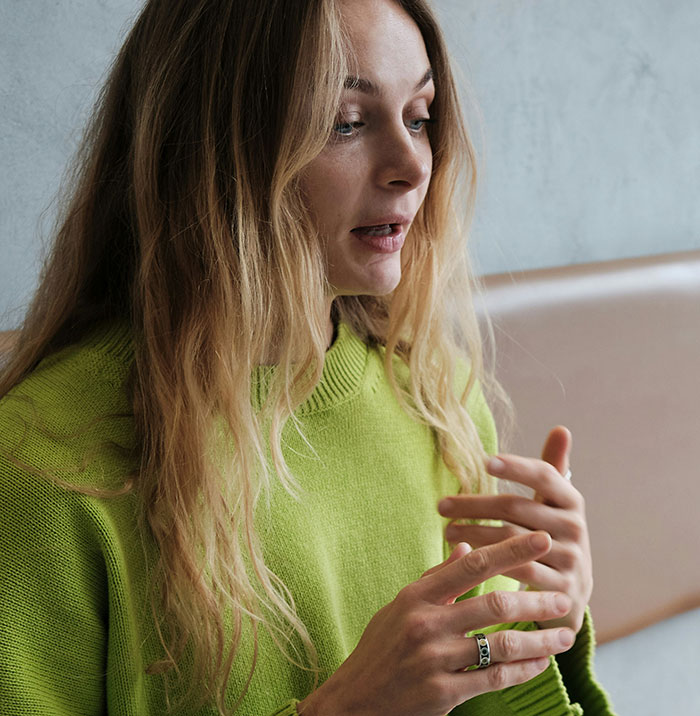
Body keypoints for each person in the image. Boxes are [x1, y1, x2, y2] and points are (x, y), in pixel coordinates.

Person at [0, 0, 616, 714]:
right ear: (211, 149)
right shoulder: (40, 470)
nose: (411, 164)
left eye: (419, 115)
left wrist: (544, 628)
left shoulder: (430, 389)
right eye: (345, 122)